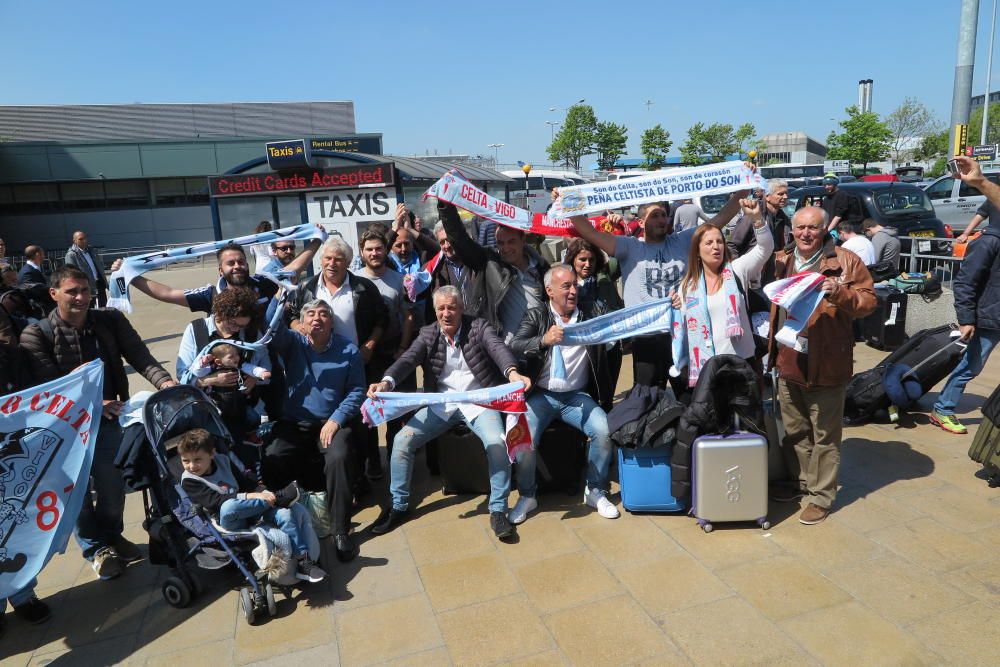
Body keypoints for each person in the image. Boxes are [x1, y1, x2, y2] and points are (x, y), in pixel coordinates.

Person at [20, 266, 177, 578]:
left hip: (107, 421)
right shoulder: (35, 334)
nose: (81, 297)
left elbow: (140, 356)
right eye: (72, 291)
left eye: (85, 290)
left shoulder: (110, 321)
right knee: (75, 496)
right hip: (60, 430)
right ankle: (96, 549)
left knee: (113, 487)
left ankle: (112, 534)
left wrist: (166, 384)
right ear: (54, 294)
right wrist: (92, 402)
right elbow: (46, 387)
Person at [368, 286, 532, 540]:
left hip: (479, 402)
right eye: (441, 308)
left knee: (497, 445)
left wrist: (512, 372)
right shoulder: (427, 333)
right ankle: (398, 505)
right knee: (402, 441)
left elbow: (498, 348)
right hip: (442, 404)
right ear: (434, 311)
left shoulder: (478, 327)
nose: (446, 313)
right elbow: (408, 359)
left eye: (452, 307)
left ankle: (498, 509)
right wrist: (387, 381)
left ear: (461, 308)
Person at [570, 192, 746, 395]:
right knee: (647, 397)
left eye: (664, 214)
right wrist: (569, 205)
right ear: (641, 222)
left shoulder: (683, 241)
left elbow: (719, 220)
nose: (662, 219)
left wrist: (742, 192)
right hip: (646, 336)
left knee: (692, 395)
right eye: (655, 215)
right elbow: (590, 233)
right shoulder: (629, 246)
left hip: (684, 333)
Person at [766, 207, 875, 525]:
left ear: (824, 228)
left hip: (827, 362)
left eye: (812, 228)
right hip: (789, 359)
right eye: (800, 227)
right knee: (797, 431)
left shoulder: (844, 260)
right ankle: (803, 484)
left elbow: (868, 301)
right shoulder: (782, 259)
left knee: (825, 435)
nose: (805, 233)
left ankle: (821, 497)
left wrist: (840, 292)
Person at [508, 265, 618, 524]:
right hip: (542, 395)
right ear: (549, 291)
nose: (573, 291)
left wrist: (665, 304)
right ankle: (527, 494)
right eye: (566, 286)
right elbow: (515, 344)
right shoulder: (536, 315)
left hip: (576, 396)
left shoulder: (592, 312)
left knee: (602, 430)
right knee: (523, 438)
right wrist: (543, 341)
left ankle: (595, 490)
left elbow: (624, 319)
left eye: (574, 285)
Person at [263, 298, 365, 562]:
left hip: (332, 422)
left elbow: (357, 391)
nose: (316, 318)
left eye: (323, 314)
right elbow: (271, 327)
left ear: (332, 322)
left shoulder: (349, 350)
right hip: (295, 421)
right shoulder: (293, 343)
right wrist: (278, 296)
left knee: (338, 457)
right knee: (274, 453)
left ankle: (340, 530)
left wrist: (337, 419)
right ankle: (281, 519)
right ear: (303, 322)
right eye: (310, 314)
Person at [176, 428, 325, 582]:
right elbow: (215, 502)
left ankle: (303, 561)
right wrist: (251, 496)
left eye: (197, 460)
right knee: (228, 506)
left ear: (212, 454)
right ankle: (279, 499)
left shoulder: (223, 460)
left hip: (251, 508)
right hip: (228, 519)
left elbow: (246, 483)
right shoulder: (189, 480)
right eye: (185, 461)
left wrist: (265, 493)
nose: (192, 466)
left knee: (285, 514)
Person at [930, 157, 1000, 434]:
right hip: (988, 318)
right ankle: (943, 408)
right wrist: (966, 319)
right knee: (971, 366)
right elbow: (965, 283)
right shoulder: (988, 242)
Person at [673, 199, 773, 379]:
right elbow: (682, 329)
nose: (716, 247)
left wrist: (757, 218)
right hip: (707, 369)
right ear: (697, 250)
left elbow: (765, 248)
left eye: (719, 241)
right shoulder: (687, 287)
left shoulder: (737, 270)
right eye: (709, 243)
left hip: (742, 365)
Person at [176, 288, 272, 455]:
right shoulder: (196, 330)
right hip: (209, 414)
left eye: (242, 325)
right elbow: (182, 377)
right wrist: (210, 380)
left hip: (246, 411)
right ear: (221, 313)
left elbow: (267, 368)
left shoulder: (251, 333)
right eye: (233, 323)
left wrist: (254, 379)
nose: (236, 330)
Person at [438, 200, 551, 340]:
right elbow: (460, 239)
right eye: (500, 243)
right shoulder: (490, 264)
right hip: (504, 350)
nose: (506, 248)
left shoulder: (541, 268)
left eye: (511, 242)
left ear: (523, 240)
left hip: (538, 345)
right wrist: (446, 205)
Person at [357, 228, 415, 479]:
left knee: (396, 410)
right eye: (369, 249)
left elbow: (409, 316)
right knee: (367, 410)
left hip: (394, 351)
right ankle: (372, 461)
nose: (374, 253)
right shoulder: (354, 279)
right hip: (366, 355)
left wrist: (403, 349)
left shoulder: (398, 279)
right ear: (362, 252)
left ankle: (395, 460)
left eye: (378, 248)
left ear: (386, 250)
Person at [286, 236, 388, 366]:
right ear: (321, 261)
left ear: (348, 263)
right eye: (328, 258)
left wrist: (369, 345)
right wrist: (297, 326)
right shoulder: (306, 287)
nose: (332, 263)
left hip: (355, 360)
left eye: (338, 259)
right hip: (316, 361)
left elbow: (383, 318)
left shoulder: (364, 287)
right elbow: (292, 314)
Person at [565, 237, 624, 389]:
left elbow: (621, 253)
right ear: (572, 260)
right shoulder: (566, 284)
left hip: (610, 347)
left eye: (591, 259)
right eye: (582, 259)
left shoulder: (605, 275)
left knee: (607, 394)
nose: (587, 264)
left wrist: (611, 231)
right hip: (583, 352)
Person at [727, 180, 791, 285]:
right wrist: (737, 273)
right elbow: (732, 245)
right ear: (767, 197)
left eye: (786, 193)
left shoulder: (784, 219)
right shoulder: (753, 215)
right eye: (780, 194)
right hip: (752, 278)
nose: (785, 197)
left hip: (773, 277)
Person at [64, 230, 108, 307]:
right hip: (85, 287)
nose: (84, 241)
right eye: (80, 239)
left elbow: (99, 266)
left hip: (99, 284)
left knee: (103, 308)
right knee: (89, 309)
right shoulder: (71, 255)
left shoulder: (92, 251)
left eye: (85, 238)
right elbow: (71, 274)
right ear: (74, 241)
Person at [16, 245, 53, 310]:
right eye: (43, 254)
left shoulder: (30, 269)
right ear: (37, 254)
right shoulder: (27, 272)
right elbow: (34, 292)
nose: (44, 256)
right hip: (38, 309)